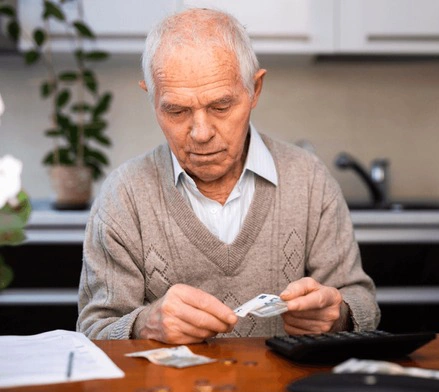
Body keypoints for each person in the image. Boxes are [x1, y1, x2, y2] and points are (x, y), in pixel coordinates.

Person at [77, 8, 380, 344]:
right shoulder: (123, 196)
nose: (201, 132)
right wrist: (144, 324)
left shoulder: (308, 179)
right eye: (176, 110)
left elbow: (362, 303)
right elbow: (92, 331)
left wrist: (337, 315)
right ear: (152, 99)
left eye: (221, 106)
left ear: (255, 89)